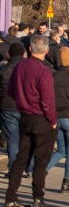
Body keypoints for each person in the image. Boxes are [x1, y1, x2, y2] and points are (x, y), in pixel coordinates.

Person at [3, 36, 57, 207]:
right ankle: (37, 198)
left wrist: (22, 102)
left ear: (31, 49)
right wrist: (53, 120)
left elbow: (11, 90)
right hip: (41, 117)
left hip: (25, 116)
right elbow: (48, 99)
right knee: (41, 160)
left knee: (21, 158)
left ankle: (11, 197)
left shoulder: (20, 66)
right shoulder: (44, 71)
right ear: (46, 50)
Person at [46, 47, 69, 192]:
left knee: (60, 150)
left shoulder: (53, 76)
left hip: (56, 116)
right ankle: (67, 181)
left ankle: (42, 171)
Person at [0, 43, 26, 178]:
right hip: (25, 106)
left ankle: (13, 169)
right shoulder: (28, 67)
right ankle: (27, 166)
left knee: (12, 139)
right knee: (25, 138)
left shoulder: (3, 69)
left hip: (7, 107)